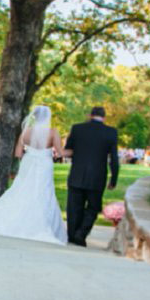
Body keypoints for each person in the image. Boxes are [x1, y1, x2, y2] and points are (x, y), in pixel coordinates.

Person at [0, 105, 67, 244]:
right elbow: (60, 152)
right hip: (44, 165)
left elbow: (18, 153)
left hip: (28, 163)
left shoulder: (26, 132)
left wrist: (30, 156)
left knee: (21, 190)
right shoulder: (53, 132)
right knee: (43, 191)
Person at [63, 106, 119, 247]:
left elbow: (69, 149)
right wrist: (114, 179)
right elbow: (114, 158)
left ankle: (72, 235)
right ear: (104, 117)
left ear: (90, 115)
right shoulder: (111, 132)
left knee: (74, 207)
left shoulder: (77, 129)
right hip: (97, 176)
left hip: (77, 173)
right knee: (93, 207)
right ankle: (81, 234)